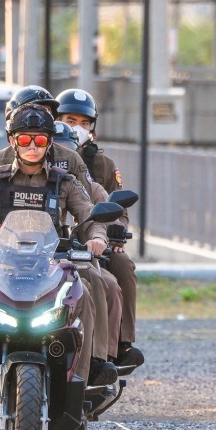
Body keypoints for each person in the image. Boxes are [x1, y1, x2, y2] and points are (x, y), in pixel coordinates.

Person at [0, 103, 115, 386]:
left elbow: (89, 215)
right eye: (25, 140)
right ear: (12, 141)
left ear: (49, 143)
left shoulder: (65, 181)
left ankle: (90, 365)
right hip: (1, 259)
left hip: (54, 260)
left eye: (40, 140)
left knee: (91, 281)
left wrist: (97, 238)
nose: (32, 146)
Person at [56, 89, 144, 369]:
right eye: (70, 121)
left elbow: (110, 204)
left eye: (84, 123)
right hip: (45, 242)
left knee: (120, 268)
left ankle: (117, 347)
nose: (77, 129)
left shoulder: (101, 166)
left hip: (92, 238)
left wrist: (113, 232)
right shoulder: (33, 160)